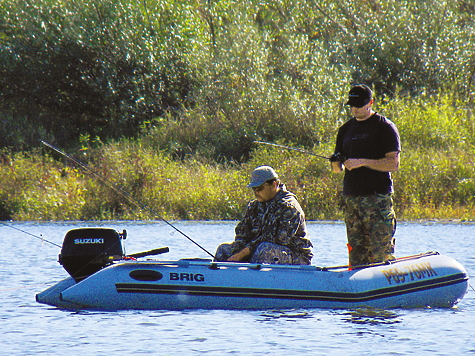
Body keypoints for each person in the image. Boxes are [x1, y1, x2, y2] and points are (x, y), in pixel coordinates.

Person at [330, 84, 401, 268]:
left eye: (359, 105)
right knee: (357, 256)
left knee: (381, 254)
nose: (355, 109)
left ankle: (386, 290)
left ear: (370, 102)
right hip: (352, 200)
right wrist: (335, 162)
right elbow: (338, 170)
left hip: (377, 200)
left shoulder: (384, 127)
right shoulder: (345, 129)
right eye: (352, 105)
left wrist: (362, 161)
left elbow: (393, 164)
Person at [214, 165, 313, 265]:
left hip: (297, 258)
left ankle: (260, 280)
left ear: (274, 185)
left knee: (265, 249)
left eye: (260, 188)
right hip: (258, 252)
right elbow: (242, 234)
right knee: (223, 250)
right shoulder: (254, 206)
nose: (256, 192)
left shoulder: (289, 207)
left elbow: (277, 239)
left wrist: (241, 255)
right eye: (254, 189)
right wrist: (234, 253)